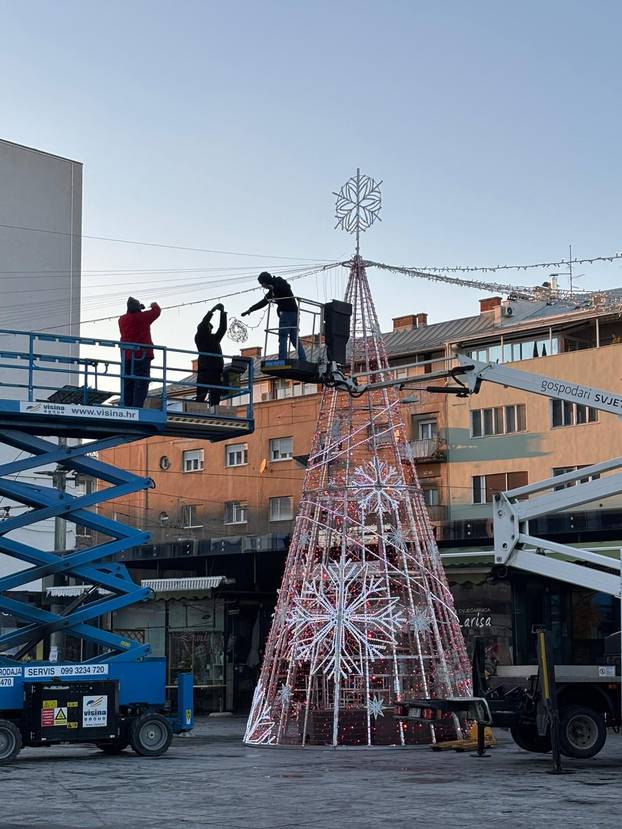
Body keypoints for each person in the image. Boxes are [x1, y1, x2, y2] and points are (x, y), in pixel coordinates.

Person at [241, 272, 306, 361]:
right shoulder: (272, 292)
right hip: (294, 313)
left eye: (262, 284)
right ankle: (303, 359)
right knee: (294, 338)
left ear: (264, 282)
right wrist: (250, 310)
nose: (263, 286)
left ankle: (282, 360)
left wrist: (274, 288)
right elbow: (263, 302)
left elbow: (287, 287)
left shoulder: (279, 281)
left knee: (283, 337)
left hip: (287, 314)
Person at [118, 297, 161, 408]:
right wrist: (153, 304)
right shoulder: (142, 318)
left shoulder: (122, 320)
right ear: (137, 308)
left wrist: (138, 310)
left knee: (128, 383)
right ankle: (137, 407)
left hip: (127, 356)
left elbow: (131, 316)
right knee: (141, 382)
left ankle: (127, 406)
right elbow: (156, 311)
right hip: (142, 356)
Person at [194, 303, 227, 405]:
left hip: (216, 371)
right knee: (201, 395)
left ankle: (215, 412)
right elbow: (203, 324)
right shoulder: (199, 337)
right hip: (205, 370)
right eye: (209, 326)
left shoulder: (214, 338)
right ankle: (198, 411)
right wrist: (212, 311)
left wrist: (222, 313)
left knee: (215, 397)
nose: (210, 328)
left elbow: (222, 329)